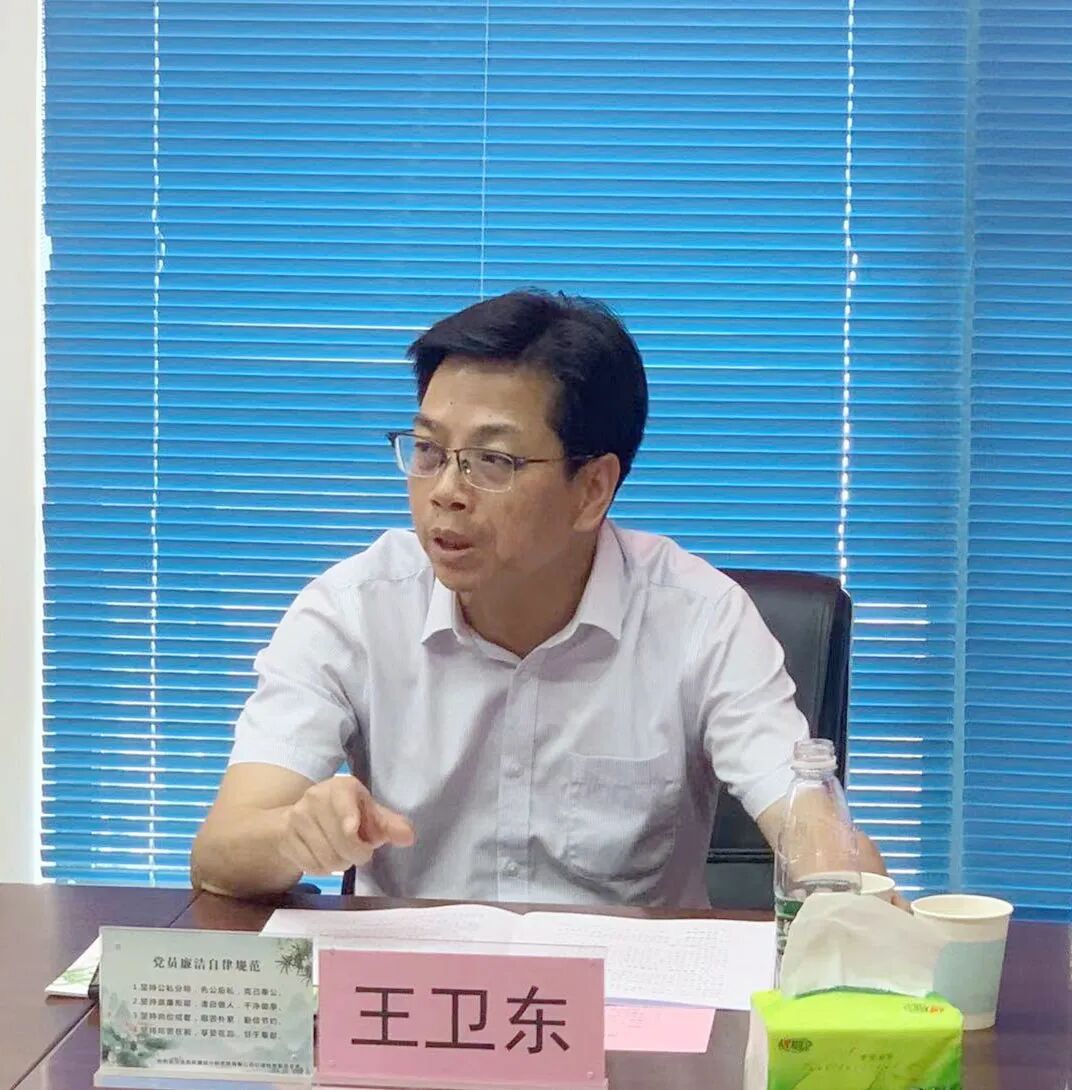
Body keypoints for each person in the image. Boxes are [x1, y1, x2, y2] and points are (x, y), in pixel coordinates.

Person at [191, 288, 893, 906]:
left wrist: (842, 883)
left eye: (492, 461)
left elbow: (808, 825)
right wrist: (294, 834)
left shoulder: (700, 618)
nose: (445, 492)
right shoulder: (353, 609)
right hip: (419, 1001)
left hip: (625, 1001)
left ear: (592, 489)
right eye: (428, 450)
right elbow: (220, 855)